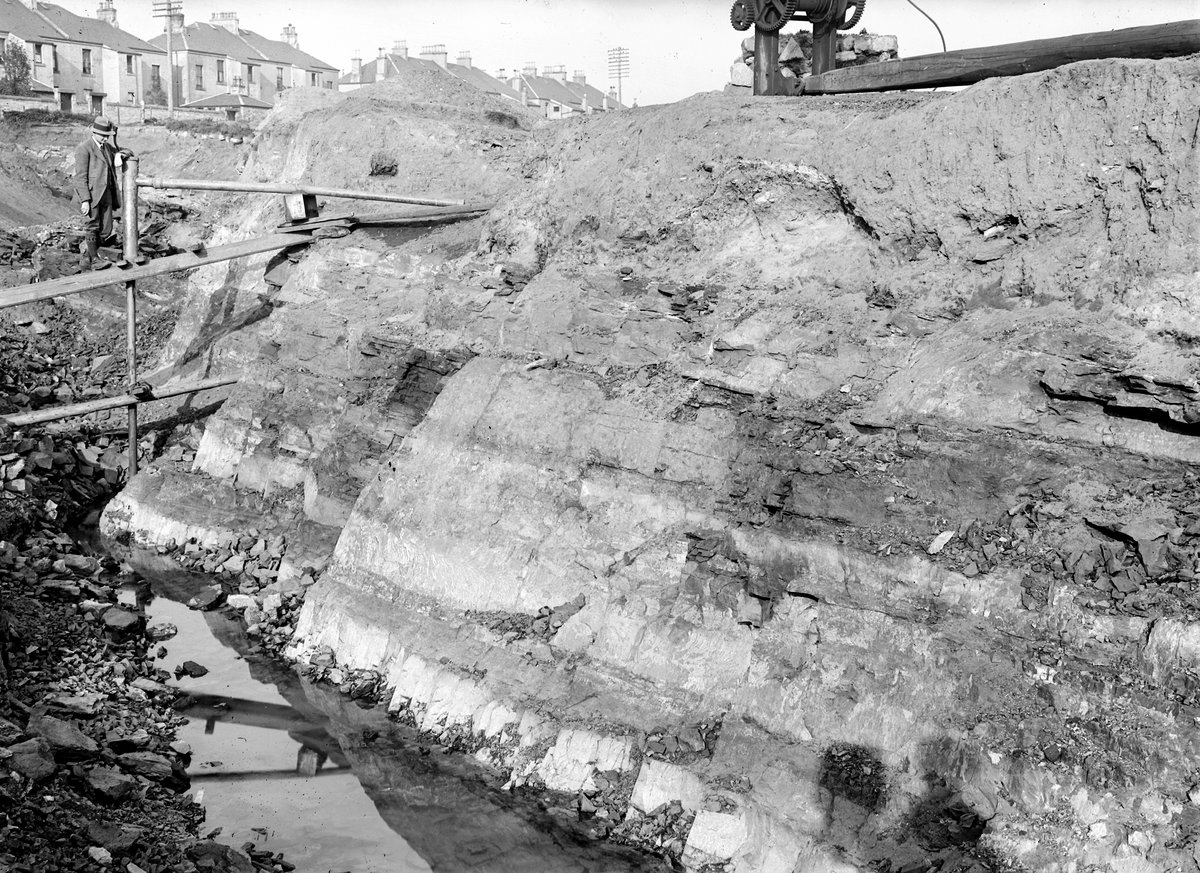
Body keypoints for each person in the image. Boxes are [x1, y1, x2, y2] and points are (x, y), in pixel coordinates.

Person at [73, 116, 123, 270]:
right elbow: (80, 177)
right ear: (94, 133)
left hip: (106, 193)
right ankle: (95, 259)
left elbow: (121, 151)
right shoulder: (84, 148)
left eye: (107, 136)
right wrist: (85, 200)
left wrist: (119, 150)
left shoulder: (107, 147)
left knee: (106, 228)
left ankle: (87, 258)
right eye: (103, 136)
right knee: (92, 226)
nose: (105, 139)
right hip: (92, 194)